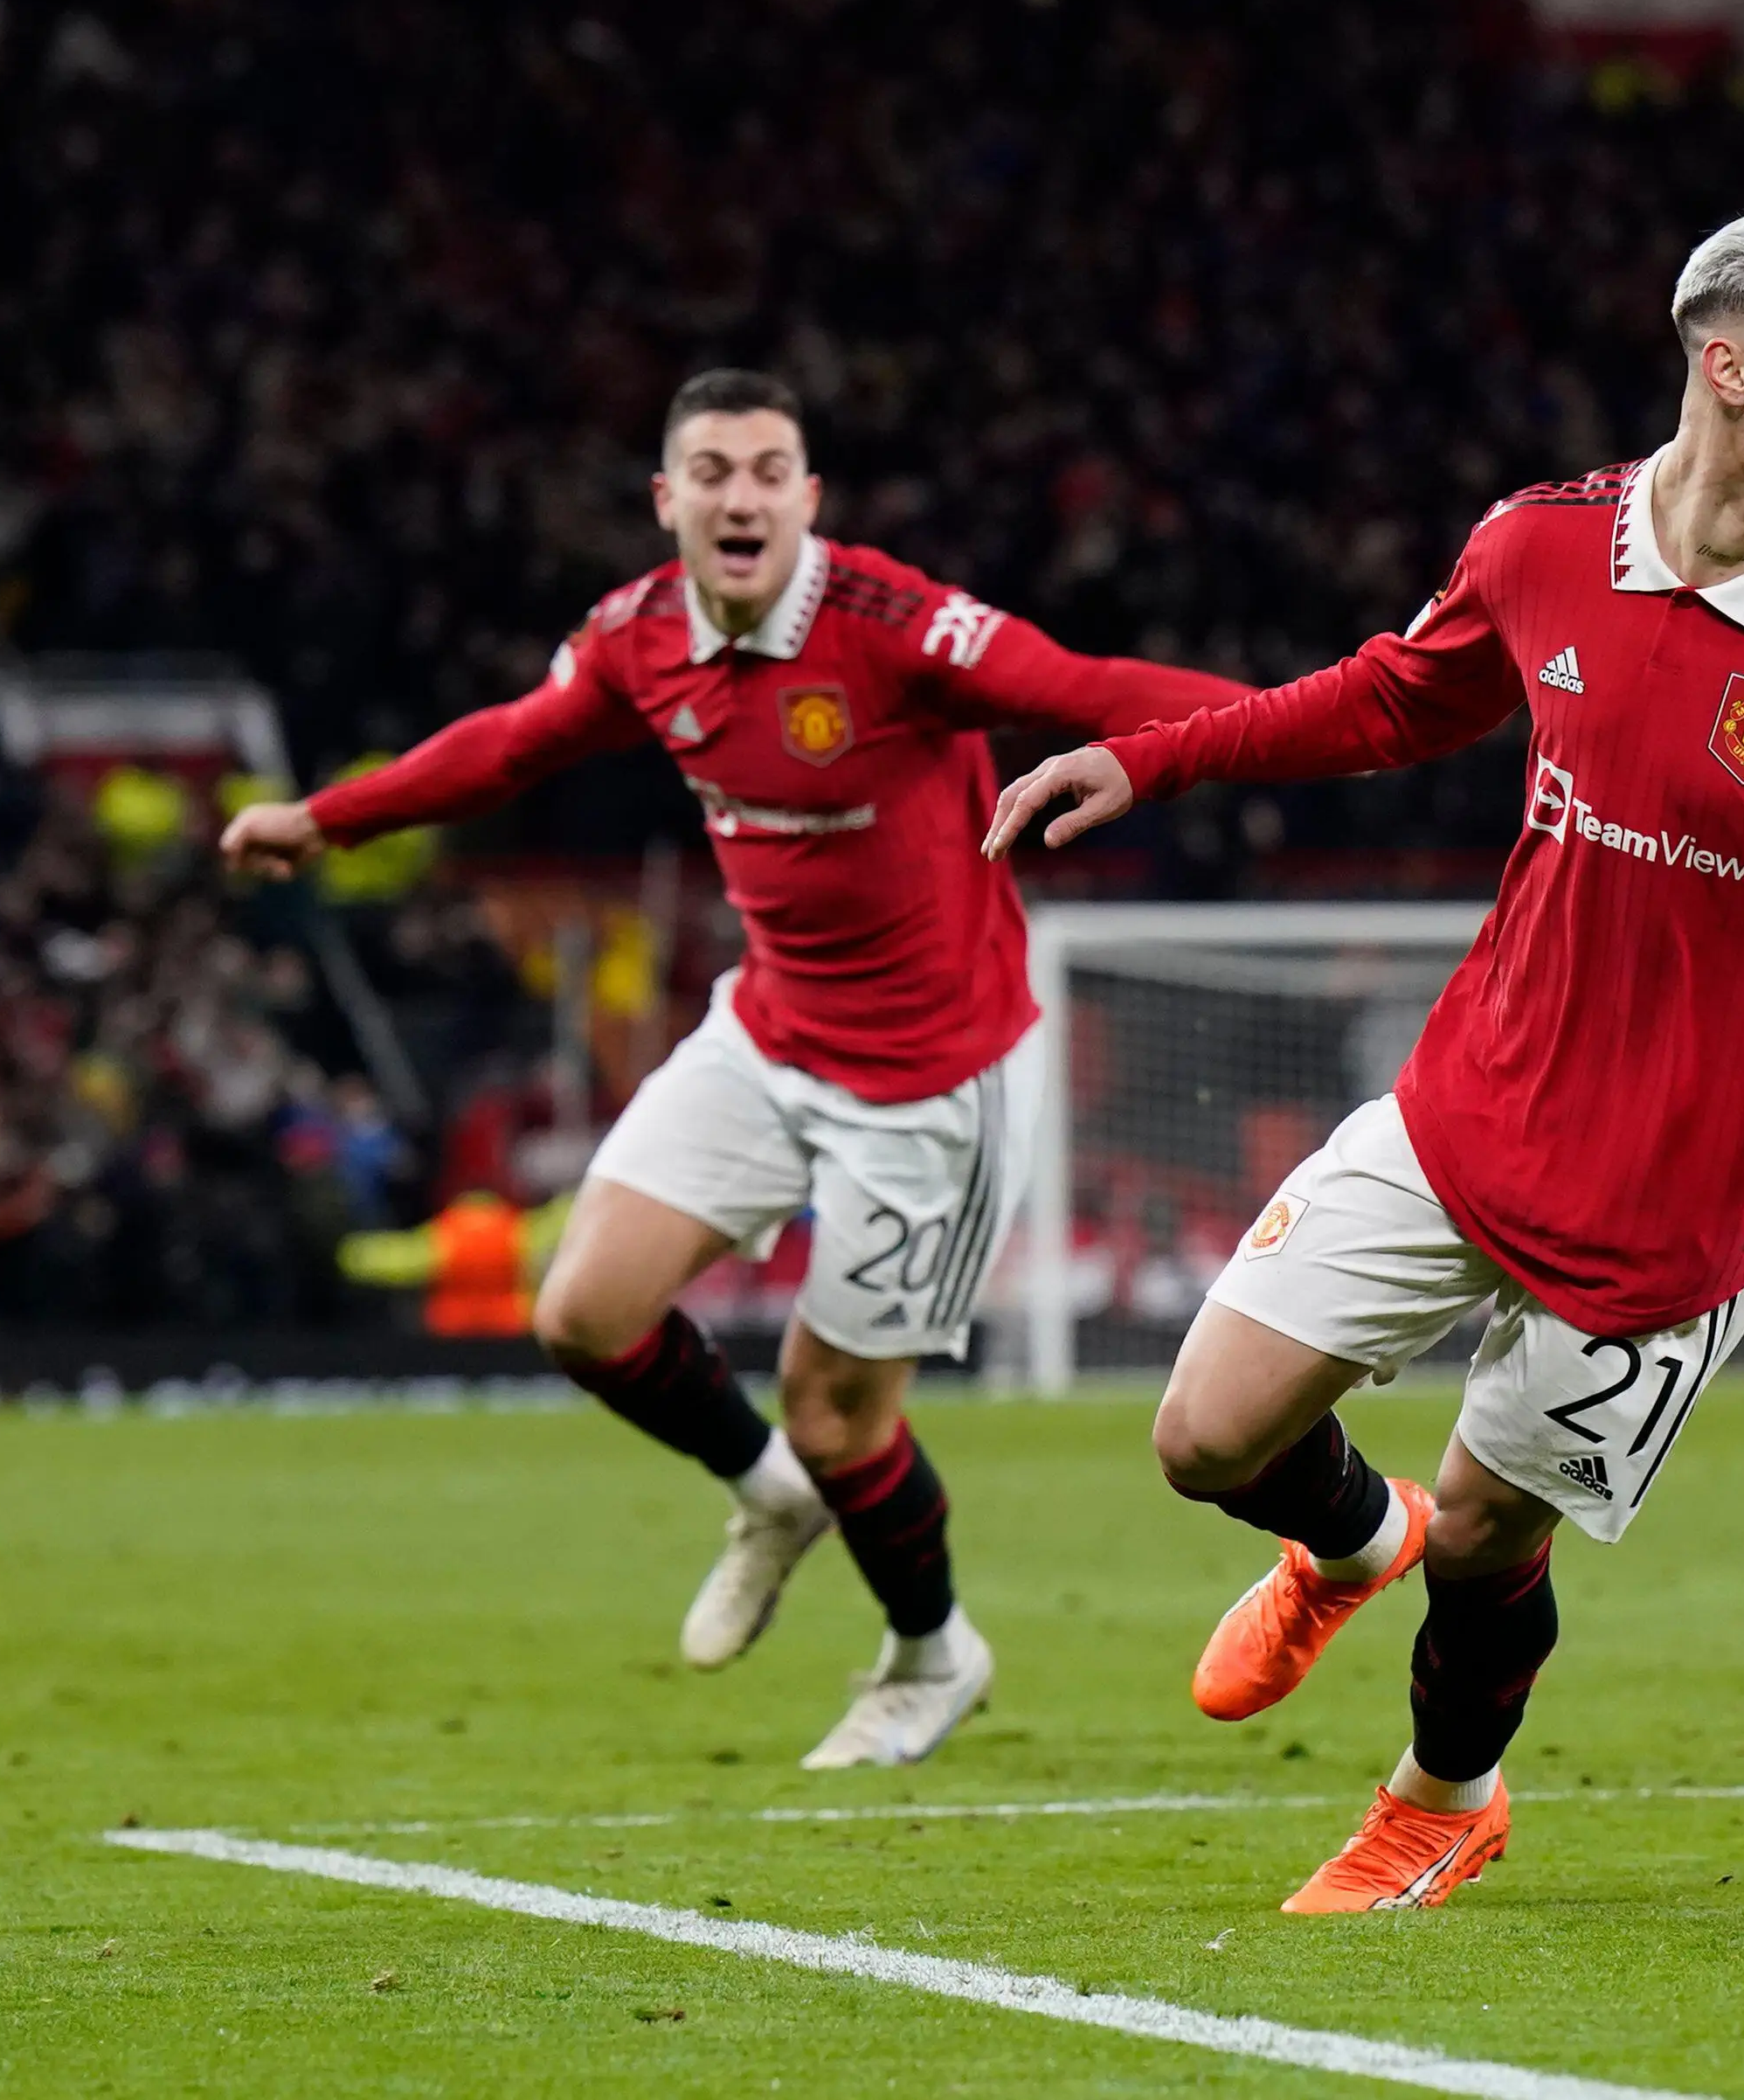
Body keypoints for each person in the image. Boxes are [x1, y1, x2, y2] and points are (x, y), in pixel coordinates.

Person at [985, 211, 1744, 1911]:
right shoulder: (1539, 546)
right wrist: (1150, 763)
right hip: (1469, 1108)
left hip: (1672, 1207)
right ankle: (1342, 1537)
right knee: (1204, 1435)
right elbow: (1390, 698)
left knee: (1487, 1537)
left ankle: (1443, 1794)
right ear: (1726, 365)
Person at [221, 370, 1244, 1767]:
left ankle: (930, 1651)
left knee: (839, 1413)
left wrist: (1326, 715)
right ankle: (767, 1495)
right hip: (766, 1033)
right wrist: (332, 820)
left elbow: (1091, 687)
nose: (741, 494)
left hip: (930, 1082)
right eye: (712, 471)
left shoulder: (897, 627)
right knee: (581, 1311)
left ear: (808, 499)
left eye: (769, 468)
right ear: (670, 502)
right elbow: (511, 743)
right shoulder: (643, 635)